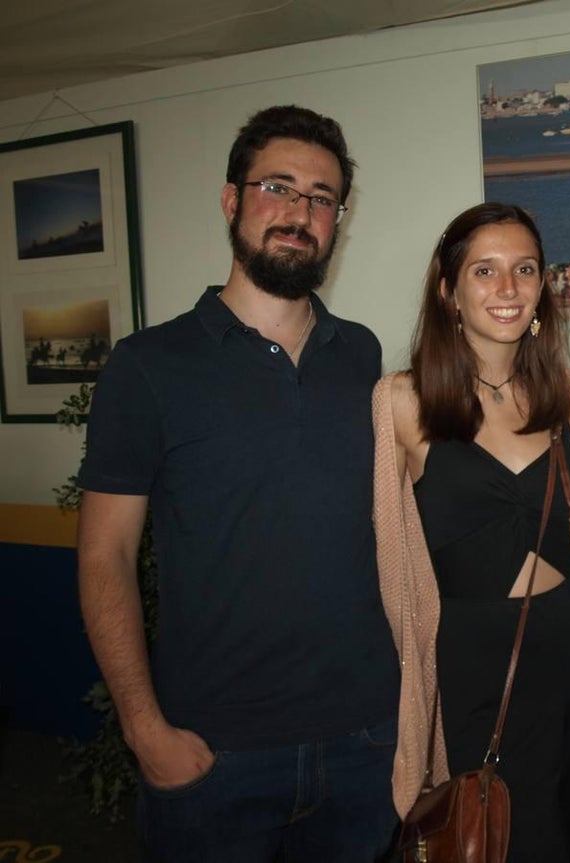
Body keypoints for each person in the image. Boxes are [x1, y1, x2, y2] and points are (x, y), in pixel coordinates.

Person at [76, 105, 400, 862]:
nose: (300, 212)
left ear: (338, 221)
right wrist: (143, 728)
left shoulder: (360, 354)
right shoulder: (147, 366)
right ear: (232, 200)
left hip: (362, 742)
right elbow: (104, 557)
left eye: (322, 197)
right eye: (278, 187)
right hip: (213, 754)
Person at [373, 202, 570, 862]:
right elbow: (396, 564)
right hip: (479, 664)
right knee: (498, 838)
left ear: (543, 286)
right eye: (484, 270)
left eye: (524, 269)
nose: (507, 288)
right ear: (447, 288)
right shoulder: (401, 401)